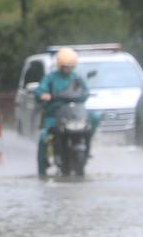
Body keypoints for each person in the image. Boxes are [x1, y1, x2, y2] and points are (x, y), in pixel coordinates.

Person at [36, 47, 97, 176]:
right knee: (43, 138)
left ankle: (87, 146)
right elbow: (40, 90)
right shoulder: (50, 78)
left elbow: (85, 91)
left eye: (70, 66)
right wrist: (43, 94)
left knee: (95, 117)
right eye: (65, 66)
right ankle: (42, 170)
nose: (67, 69)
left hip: (74, 114)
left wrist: (85, 94)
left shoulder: (76, 78)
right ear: (59, 65)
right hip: (54, 115)